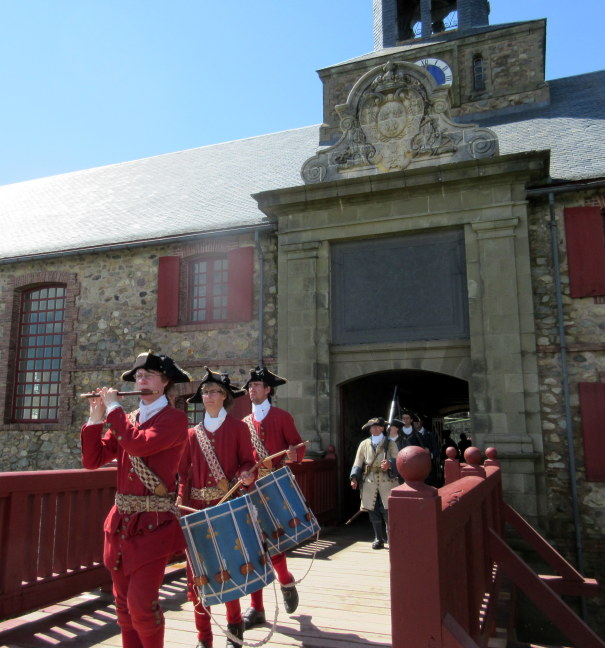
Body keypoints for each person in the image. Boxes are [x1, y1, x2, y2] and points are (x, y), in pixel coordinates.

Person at [81, 351, 191, 648]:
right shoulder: (127, 419)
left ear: (165, 382)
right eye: (137, 376)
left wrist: (114, 406)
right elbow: (93, 460)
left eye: (148, 375)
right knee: (123, 607)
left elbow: (138, 445)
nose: (140, 380)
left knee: (143, 606)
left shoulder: (175, 419)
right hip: (120, 525)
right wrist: (95, 418)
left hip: (154, 527)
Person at [177, 367, 255, 648]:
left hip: (227, 508)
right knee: (198, 576)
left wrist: (247, 474)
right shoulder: (190, 435)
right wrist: (180, 502)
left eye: (214, 391)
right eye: (205, 391)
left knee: (228, 569)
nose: (208, 395)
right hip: (197, 511)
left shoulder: (238, 429)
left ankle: (235, 631)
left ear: (225, 397)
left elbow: (248, 462)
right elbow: (183, 474)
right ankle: (204, 638)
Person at [240, 366, 305, 631]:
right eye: (250, 386)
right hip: (250, 490)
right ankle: (257, 608)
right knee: (254, 548)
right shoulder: (243, 423)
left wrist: (293, 455)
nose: (251, 389)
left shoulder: (282, 417)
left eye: (256, 385)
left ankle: (285, 579)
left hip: (275, 486)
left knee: (274, 544)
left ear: (268, 390)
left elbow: (298, 447)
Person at [350, 417, 400, 549]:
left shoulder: (390, 443)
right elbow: (358, 461)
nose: (375, 429)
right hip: (369, 481)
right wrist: (354, 477)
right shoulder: (364, 444)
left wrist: (390, 464)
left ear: (383, 428)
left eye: (378, 426)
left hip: (387, 481)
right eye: (372, 427)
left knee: (387, 510)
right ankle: (378, 538)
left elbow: (398, 459)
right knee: (373, 510)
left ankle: (391, 538)